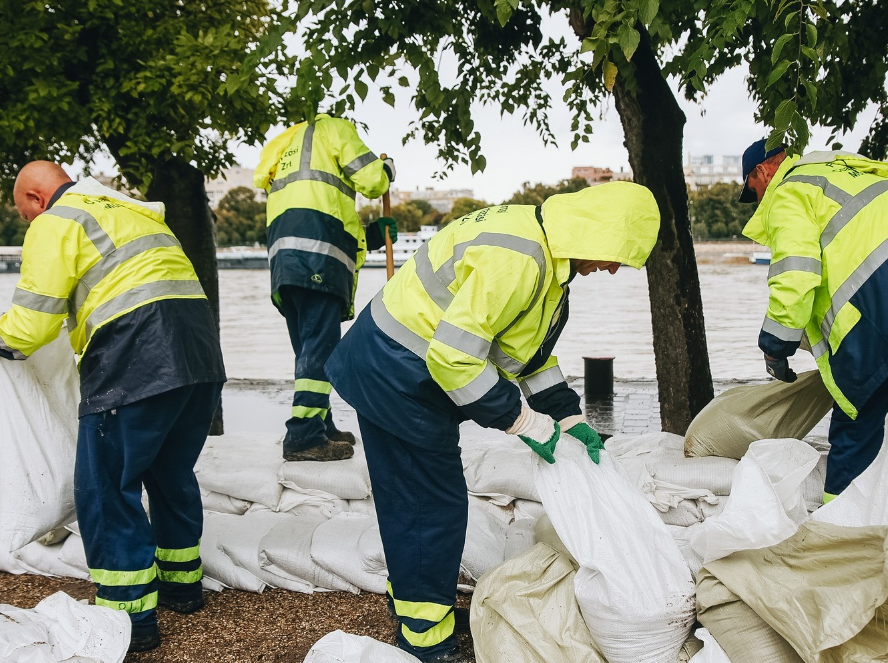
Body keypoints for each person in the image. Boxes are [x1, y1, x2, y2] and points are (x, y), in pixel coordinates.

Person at [326, 182, 661, 662]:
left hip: (409, 370)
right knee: (427, 506)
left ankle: (422, 608)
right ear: (594, 232)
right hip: (392, 371)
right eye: (614, 256)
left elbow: (527, 356)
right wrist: (524, 423)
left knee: (424, 501)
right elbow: (455, 357)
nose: (610, 269)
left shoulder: (548, 264)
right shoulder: (520, 259)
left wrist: (566, 417)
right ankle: (426, 639)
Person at [0, 162, 226, 652]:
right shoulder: (133, 211)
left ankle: (131, 617)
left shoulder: (57, 221)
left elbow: (30, 326)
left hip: (136, 357)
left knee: (105, 486)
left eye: (24, 215)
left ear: (37, 200)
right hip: (200, 355)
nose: (28, 224)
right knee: (171, 473)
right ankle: (182, 587)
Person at [739, 138, 888, 502]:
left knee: (856, 423)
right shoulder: (845, 170)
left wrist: (775, 348)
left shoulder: (791, 192)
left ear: (762, 171)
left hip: (875, 315)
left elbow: (796, 276)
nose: (757, 201)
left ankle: (836, 535)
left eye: (753, 191)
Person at [254, 114, 397, 462]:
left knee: (308, 347)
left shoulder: (285, 145)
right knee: (320, 349)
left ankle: (321, 424)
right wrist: (388, 170)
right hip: (318, 255)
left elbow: (317, 209)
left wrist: (372, 236)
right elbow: (373, 180)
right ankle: (303, 437)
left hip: (286, 259)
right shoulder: (336, 129)